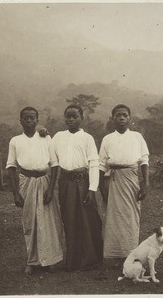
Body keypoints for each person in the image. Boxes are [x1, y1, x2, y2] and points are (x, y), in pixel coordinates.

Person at [45, 105, 103, 272]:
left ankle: (90, 259)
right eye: (68, 116)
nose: (71, 120)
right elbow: (54, 162)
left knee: (87, 219)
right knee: (69, 220)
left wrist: (92, 189)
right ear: (65, 118)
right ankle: (73, 261)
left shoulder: (87, 138)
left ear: (81, 118)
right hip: (65, 183)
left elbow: (93, 163)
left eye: (75, 116)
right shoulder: (58, 137)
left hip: (83, 182)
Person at [6, 106, 64, 275]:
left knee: (49, 221)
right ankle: (32, 261)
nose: (29, 121)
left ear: (37, 120)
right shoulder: (15, 141)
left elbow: (54, 164)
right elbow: (11, 167)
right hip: (26, 182)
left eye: (32, 118)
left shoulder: (46, 138)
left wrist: (51, 189)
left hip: (45, 181)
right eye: (26, 118)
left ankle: (51, 260)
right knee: (30, 222)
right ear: (21, 121)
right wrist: (16, 193)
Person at [99, 104, 150, 262]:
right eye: (118, 115)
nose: (121, 118)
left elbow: (144, 161)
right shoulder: (108, 139)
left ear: (129, 118)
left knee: (131, 216)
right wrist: (102, 186)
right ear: (112, 118)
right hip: (113, 180)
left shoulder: (137, 137)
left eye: (125, 115)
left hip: (131, 179)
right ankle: (115, 254)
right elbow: (101, 164)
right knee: (114, 217)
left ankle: (131, 254)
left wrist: (145, 184)